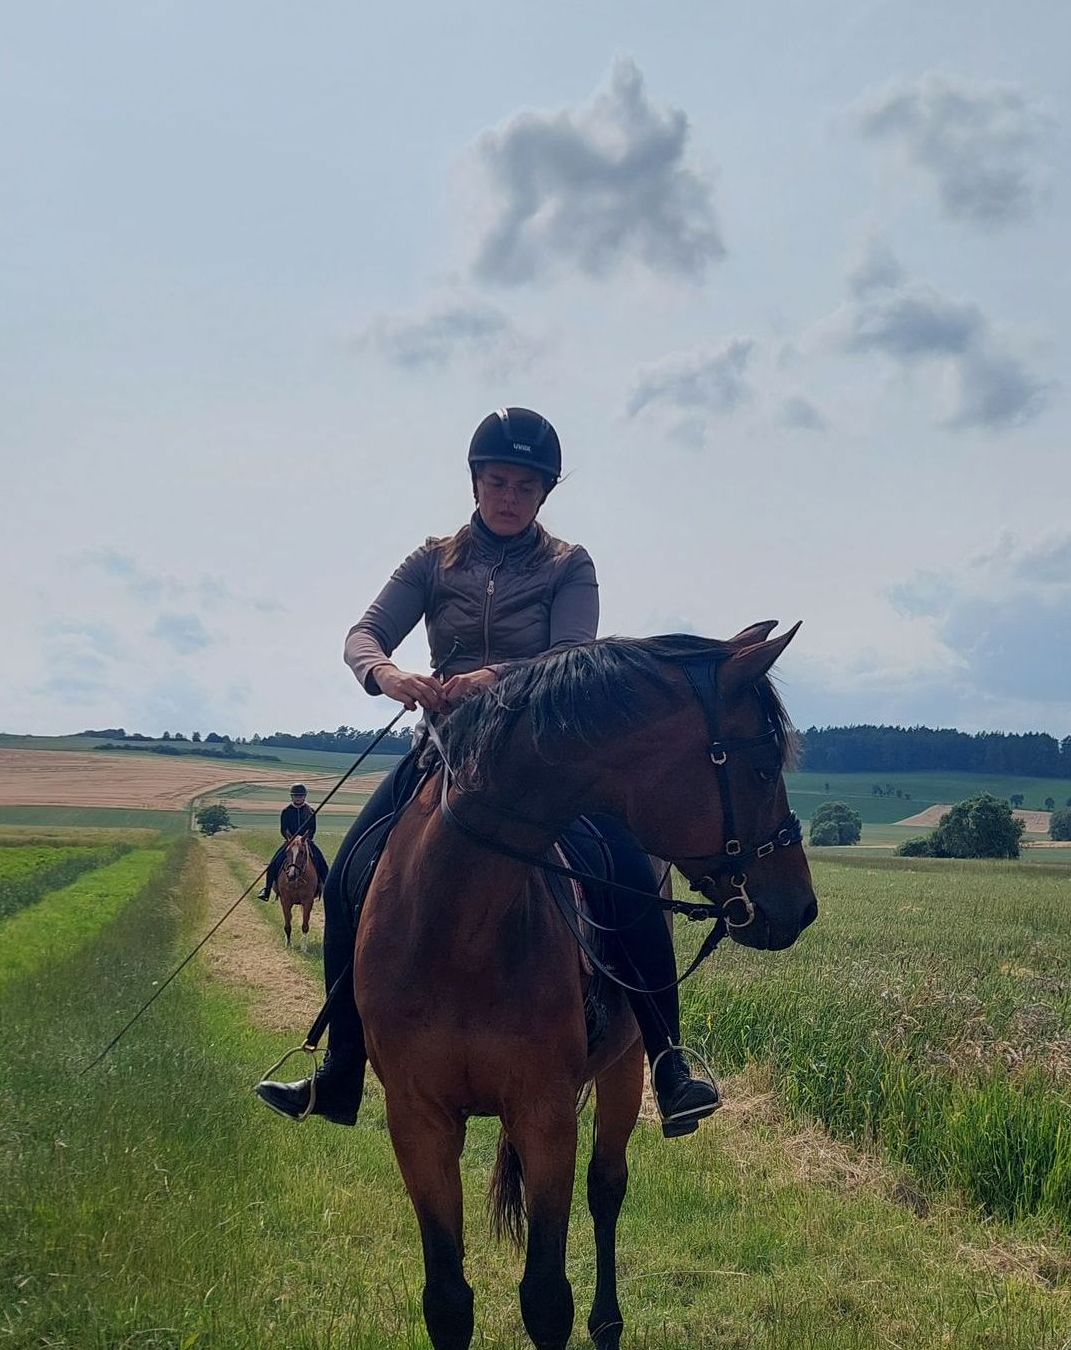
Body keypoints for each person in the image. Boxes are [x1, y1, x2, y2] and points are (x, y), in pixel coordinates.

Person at [254, 406, 723, 1135]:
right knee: (348, 872)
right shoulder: (432, 560)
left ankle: (668, 1061)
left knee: (630, 868)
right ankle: (342, 1068)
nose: (509, 496)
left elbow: (571, 656)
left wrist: (490, 677)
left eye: (526, 486)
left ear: (545, 495)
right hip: (444, 752)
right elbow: (363, 632)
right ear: (475, 482)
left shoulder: (570, 564)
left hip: (550, 762)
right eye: (497, 481)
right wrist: (386, 673)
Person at [259, 784, 328, 899]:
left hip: (306, 842)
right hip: (289, 841)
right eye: (296, 796)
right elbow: (283, 828)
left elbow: (312, 829)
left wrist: (304, 839)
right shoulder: (286, 811)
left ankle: (328, 890)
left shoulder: (310, 811)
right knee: (274, 863)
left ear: (304, 796)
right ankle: (267, 890)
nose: (298, 798)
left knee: (322, 862)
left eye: (300, 796)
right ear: (292, 797)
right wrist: (290, 838)